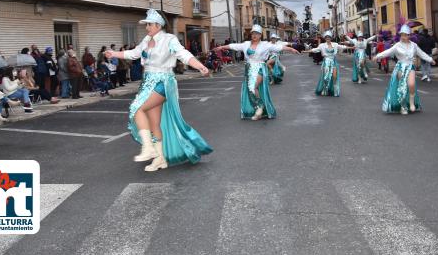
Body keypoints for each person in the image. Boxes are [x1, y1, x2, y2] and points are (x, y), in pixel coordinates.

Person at [105, 9, 212, 172]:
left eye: (149, 24)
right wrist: (114, 53)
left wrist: (199, 66)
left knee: (137, 109)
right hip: (148, 81)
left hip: (163, 81)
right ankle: (160, 159)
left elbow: (183, 54)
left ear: (158, 25)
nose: (147, 27)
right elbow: (133, 53)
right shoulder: (147, 40)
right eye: (146, 24)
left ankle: (148, 148)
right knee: (155, 123)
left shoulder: (169, 39)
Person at [215, 24, 300, 120]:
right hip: (249, 68)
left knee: (253, 87)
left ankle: (260, 107)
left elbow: (279, 47)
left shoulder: (265, 45)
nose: (254, 35)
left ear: (260, 35)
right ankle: (259, 107)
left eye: (257, 34)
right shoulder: (246, 44)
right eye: (253, 34)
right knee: (251, 89)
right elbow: (233, 46)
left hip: (260, 67)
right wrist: (222, 47)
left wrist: (291, 49)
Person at [373, 25, 435, 115]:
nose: (404, 37)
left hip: (410, 66)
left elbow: (421, 53)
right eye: (402, 35)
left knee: (411, 84)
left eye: (406, 35)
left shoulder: (414, 45)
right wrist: (377, 56)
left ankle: (411, 102)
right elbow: (388, 52)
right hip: (400, 67)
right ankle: (402, 106)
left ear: (409, 35)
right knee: (402, 85)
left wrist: (430, 59)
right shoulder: (397, 45)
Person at [305, 30, 347, 96]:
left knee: (335, 76)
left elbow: (343, 47)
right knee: (326, 77)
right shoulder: (322, 45)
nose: (328, 38)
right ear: (325, 38)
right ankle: (325, 89)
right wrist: (306, 51)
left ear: (331, 38)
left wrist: (352, 47)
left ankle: (335, 91)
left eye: (329, 37)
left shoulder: (335, 44)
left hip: (334, 62)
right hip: (326, 62)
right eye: (326, 37)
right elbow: (315, 50)